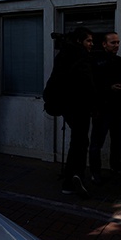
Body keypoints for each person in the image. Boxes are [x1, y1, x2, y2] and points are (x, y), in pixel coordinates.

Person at [48, 27, 95, 196]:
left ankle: (71, 179)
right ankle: (75, 176)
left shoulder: (62, 55)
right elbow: (86, 83)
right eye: (88, 41)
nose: (91, 44)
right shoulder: (82, 56)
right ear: (79, 41)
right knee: (80, 142)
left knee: (77, 141)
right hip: (80, 105)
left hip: (66, 105)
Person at [88, 31, 121, 184]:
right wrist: (108, 88)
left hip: (117, 107)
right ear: (104, 44)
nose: (116, 45)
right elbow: (92, 85)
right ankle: (95, 172)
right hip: (102, 108)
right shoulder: (95, 61)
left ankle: (115, 166)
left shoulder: (120, 61)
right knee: (97, 142)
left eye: (118, 42)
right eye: (113, 42)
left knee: (117, 140)